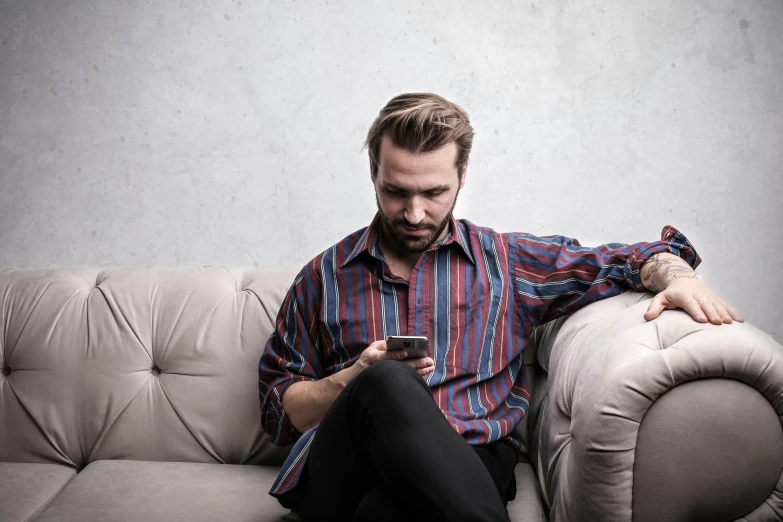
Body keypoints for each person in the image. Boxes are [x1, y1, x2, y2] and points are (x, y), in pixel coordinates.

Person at [257, 93, 743, 521]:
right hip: (346, 468)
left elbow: (624, 259)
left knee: (384, 513)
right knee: (384, 380)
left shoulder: (506, 262)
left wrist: (679, 277)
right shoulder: (324, 276)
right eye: (396, 191)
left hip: (471, 458)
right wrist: (353, 379)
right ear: (373, 174)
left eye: (434, 192)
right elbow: (279, 411)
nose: (414, 212)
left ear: (462, 177)